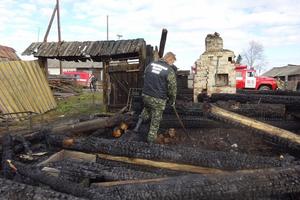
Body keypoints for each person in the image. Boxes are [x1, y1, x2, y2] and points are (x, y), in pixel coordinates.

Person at [133, 52, 177, 143]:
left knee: (147, 108)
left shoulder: (151, 65)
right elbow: (172, 89)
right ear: (170, 59)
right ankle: (151, 144)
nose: (172, 64)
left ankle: (137, 126)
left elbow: (145, 77)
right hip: (158, 100)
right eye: (172, 62)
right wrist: (172, 101)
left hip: (145, 95)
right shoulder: (169, 70)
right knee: (155, 122)